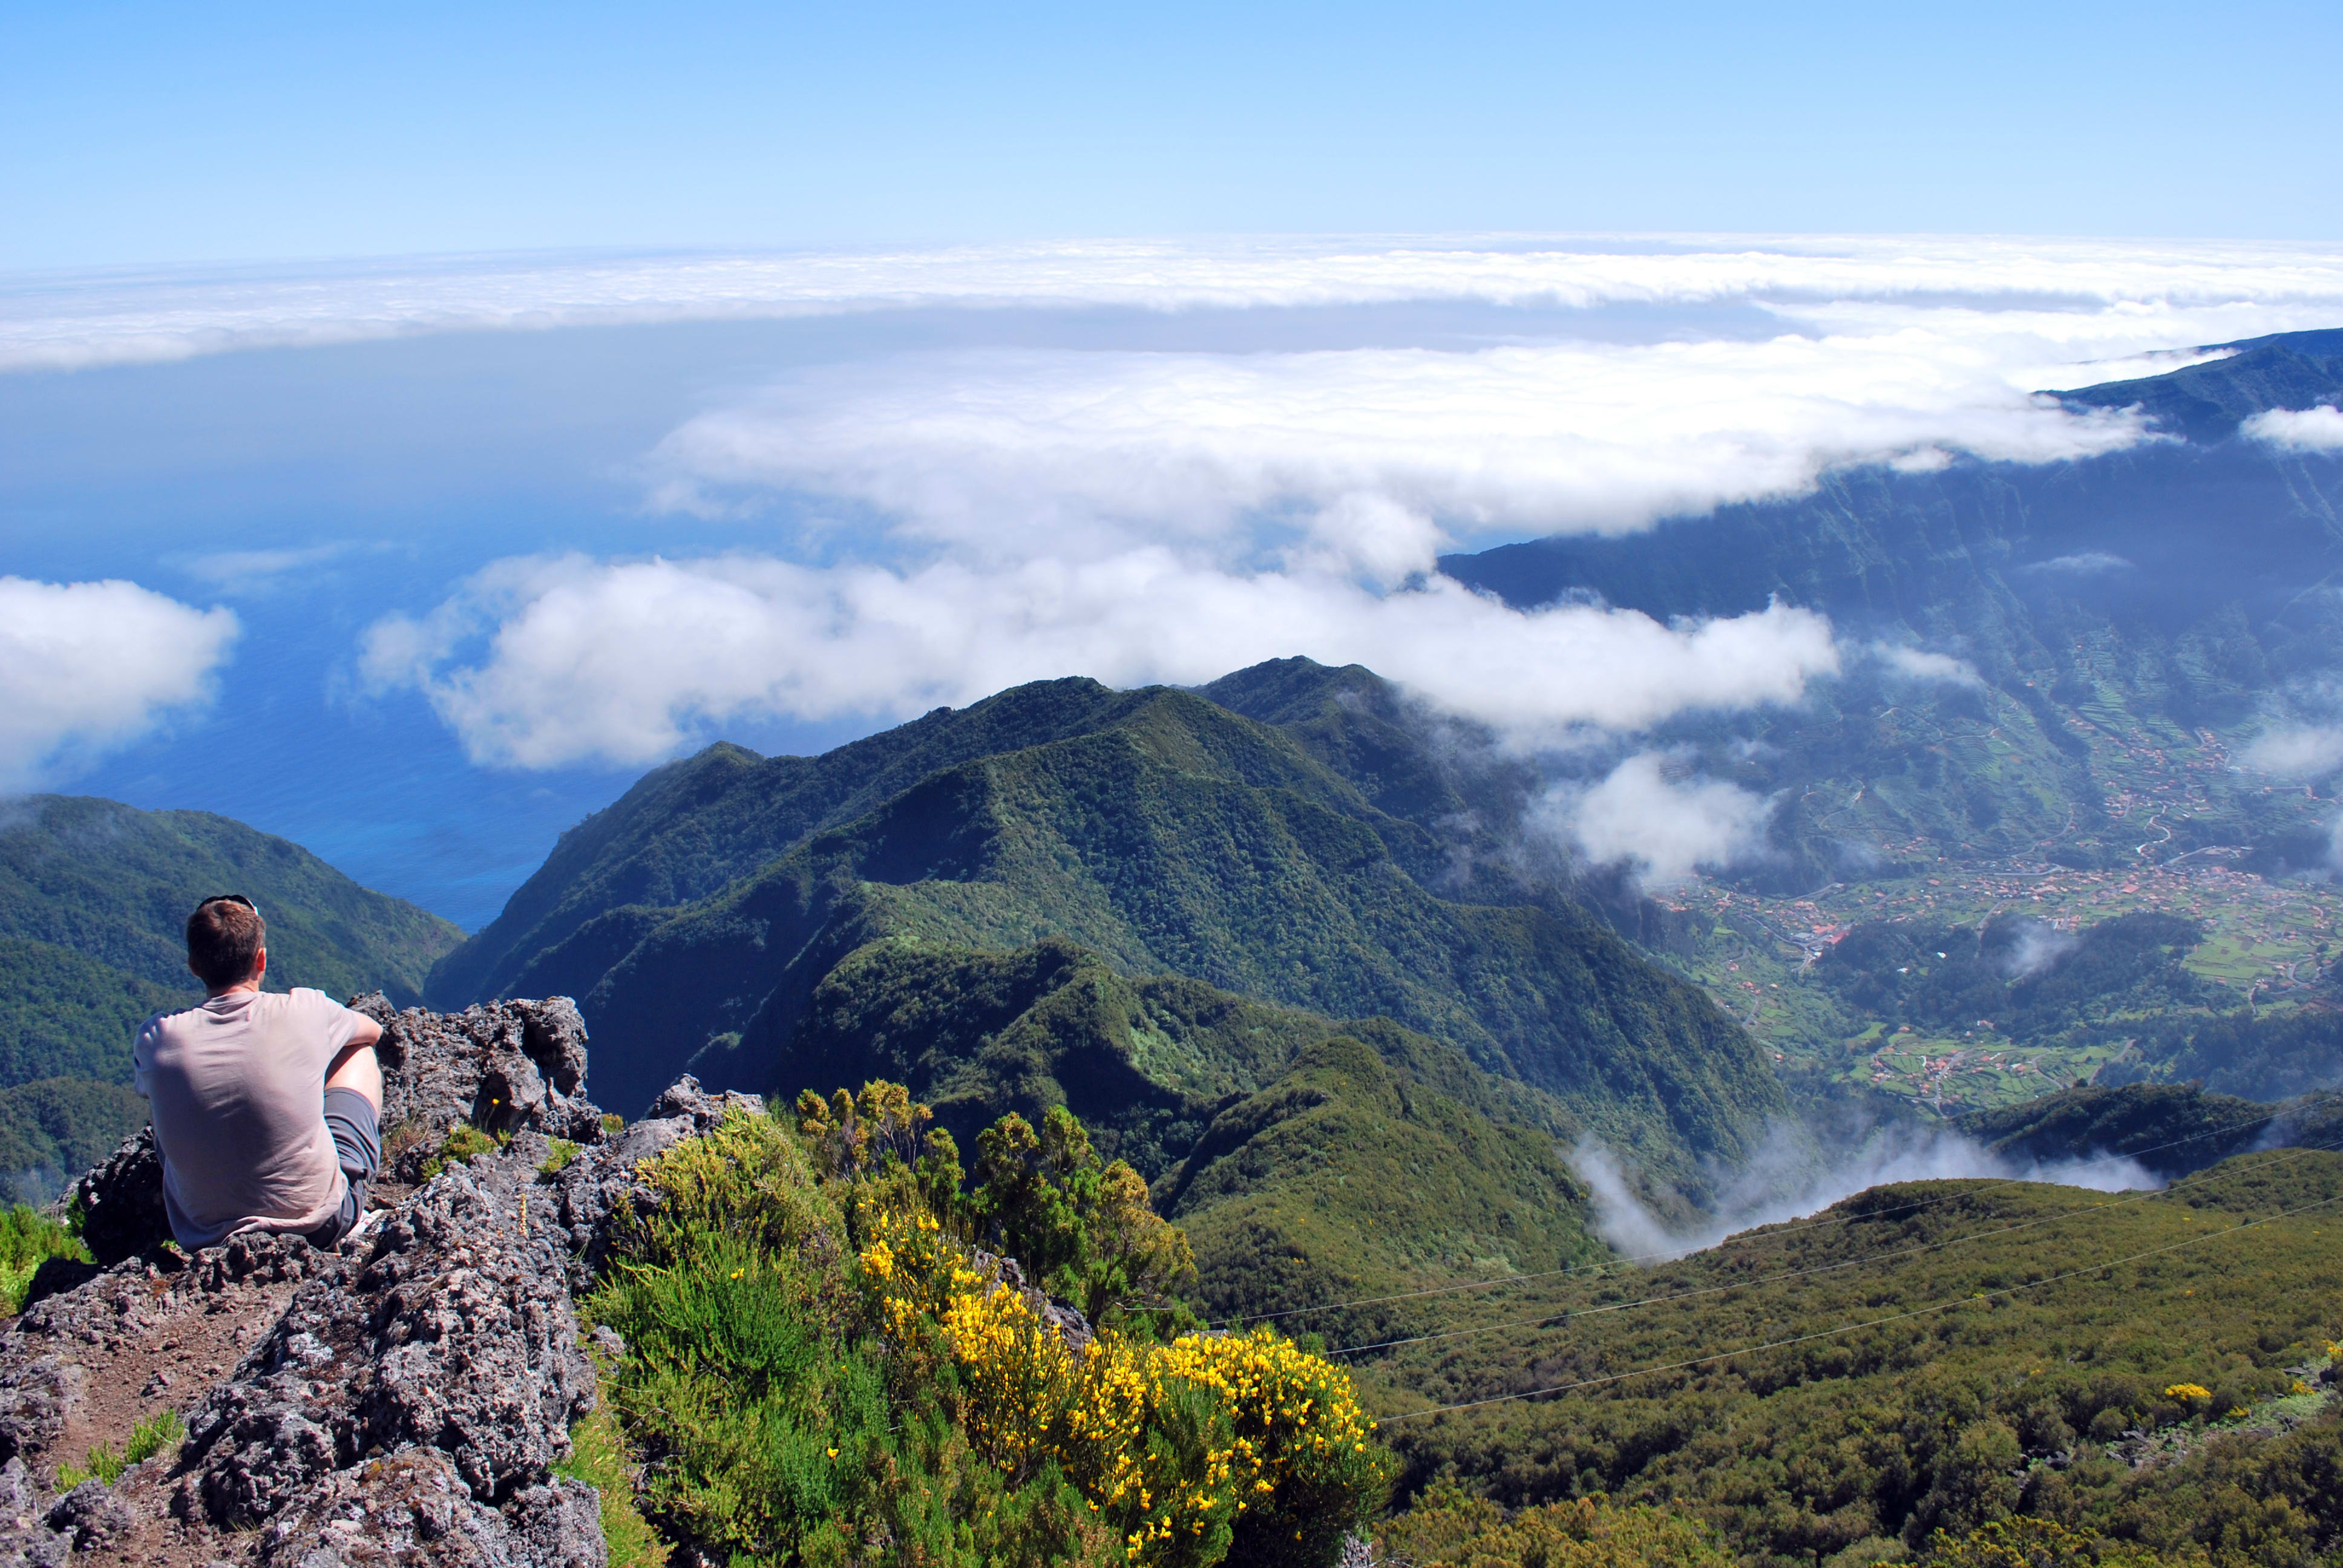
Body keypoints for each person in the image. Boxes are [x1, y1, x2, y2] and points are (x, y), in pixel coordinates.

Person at [133, 894, 385, 1251]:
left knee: (169, 1093)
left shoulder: (156, 1039)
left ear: (193, 965)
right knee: (358, 1053)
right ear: (261, 959)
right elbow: (372, 1031)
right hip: (320, 1225)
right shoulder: (305, 1010)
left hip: (206, 1237)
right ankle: (351, 1204)